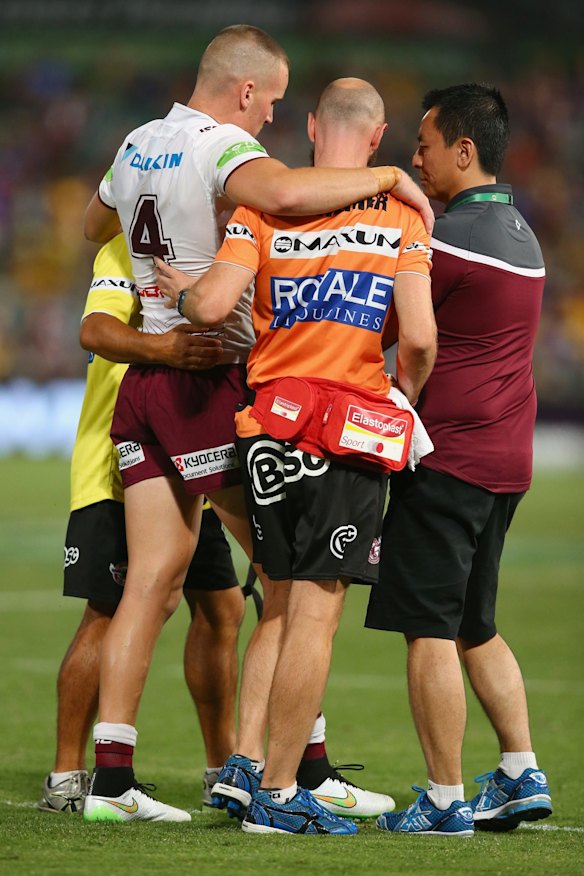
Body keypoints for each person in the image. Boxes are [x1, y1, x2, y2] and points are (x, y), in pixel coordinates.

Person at [81, 25, 432, 824]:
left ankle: (112, 781)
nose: (271, 118)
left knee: (151, 582)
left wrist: (157, 272)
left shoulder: (137, 141)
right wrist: (387, 173)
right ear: (246, 92)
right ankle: (293, 774)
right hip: (206, 377)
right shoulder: (220, 149)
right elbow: (282, 194)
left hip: (145, 379)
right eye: (271, 102)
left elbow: (91, 228)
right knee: (292, 583)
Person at [366, 83, 552, 837]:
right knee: (477, 623)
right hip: (506, 461)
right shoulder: (523, 235)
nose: (416, 159)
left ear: (464, 151)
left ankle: (445, 800)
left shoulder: (446, 239)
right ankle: (518, 771)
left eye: (425, 146)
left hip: (446, 461)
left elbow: (391, 326)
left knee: (430, 628)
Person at [37, 234, 245, 817]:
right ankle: (67, 775)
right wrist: (168, 350)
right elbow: (96, 332)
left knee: (222, 606)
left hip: (186, 450)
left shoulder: (202, 246)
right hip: (121, 461)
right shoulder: (123, 248)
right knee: (108, 609)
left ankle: (220, 767)